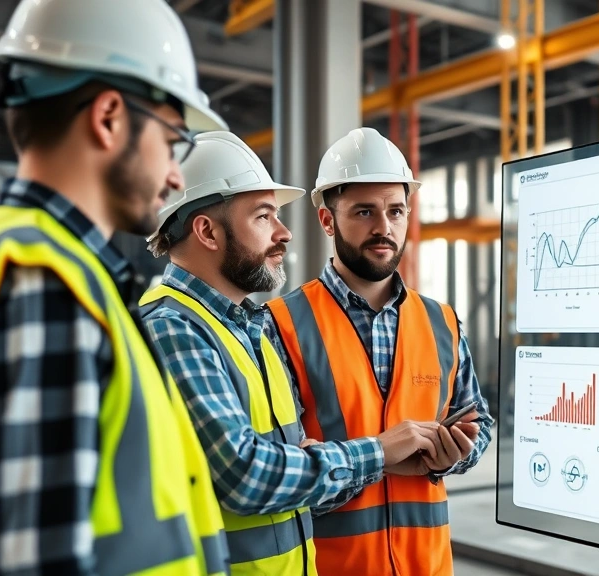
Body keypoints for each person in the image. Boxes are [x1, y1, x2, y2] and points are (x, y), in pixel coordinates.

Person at [0, 1, 231, 575]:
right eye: (173, 140)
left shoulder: (68, 275)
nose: (177, 175)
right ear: (108, 117)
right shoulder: (43, 284)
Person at [140, 131, 449, 576]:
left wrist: (302, 462)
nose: (284, 233)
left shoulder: (248, 328)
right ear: (206, 231)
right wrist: (378, 452)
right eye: (264, 217)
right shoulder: (173, 328)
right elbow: (247, 477)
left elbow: (288, 467)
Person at [266, 127, 494, 576]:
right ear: (328, 221)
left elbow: (478, 422)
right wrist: (383, 456)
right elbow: (283, 469)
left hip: (426, 567)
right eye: (365, 212)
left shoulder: (442, 322)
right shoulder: (279, 324)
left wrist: (455, 454)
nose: (383, 227)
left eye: (396, 211)